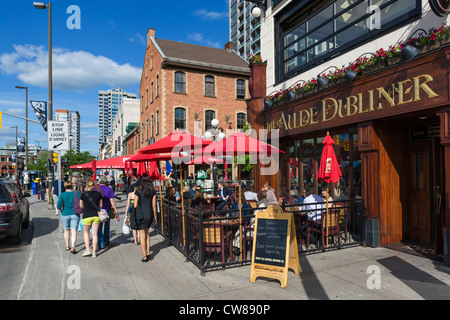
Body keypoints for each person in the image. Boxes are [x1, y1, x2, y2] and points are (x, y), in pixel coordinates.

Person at [133, 176, 157, 262]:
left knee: (142, 235)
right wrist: (155, 216)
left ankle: (144, 256)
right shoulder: (152, 191)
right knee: (147, 234)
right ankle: (148, 252)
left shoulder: (138, 191)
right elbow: (154, 205)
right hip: (149, 214)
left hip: (141, 215)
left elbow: (135, 205)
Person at [80, 181, 103, 258]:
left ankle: (87, 249)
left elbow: (80, 206)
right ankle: (94, 252)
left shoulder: (83, 195)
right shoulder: (98, 194)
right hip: (96, 216)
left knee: (86, 233)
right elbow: (101, 205)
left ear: (86, 186)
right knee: (94, 234)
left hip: (87, 216)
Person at [95, 176, 119, 250]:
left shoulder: (95, 189)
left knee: (99, 227)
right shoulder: (109, 189)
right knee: (107, 225)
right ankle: (106, 241)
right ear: (106, 182)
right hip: (107, 209)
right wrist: (115, 209)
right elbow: (112, 200)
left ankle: (101, 244)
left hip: (98, 210)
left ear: (99, 181)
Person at [57, 181, 81, 254]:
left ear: (64, 187)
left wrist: (61, 210)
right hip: (75, 214)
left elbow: (58, 206)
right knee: (74, 231)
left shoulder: (62, 195)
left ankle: (67, 245)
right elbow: (80, 202)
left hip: (65, 214)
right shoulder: (76, 193)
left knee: (66, 230)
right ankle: (73, 247)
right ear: (71, 186)